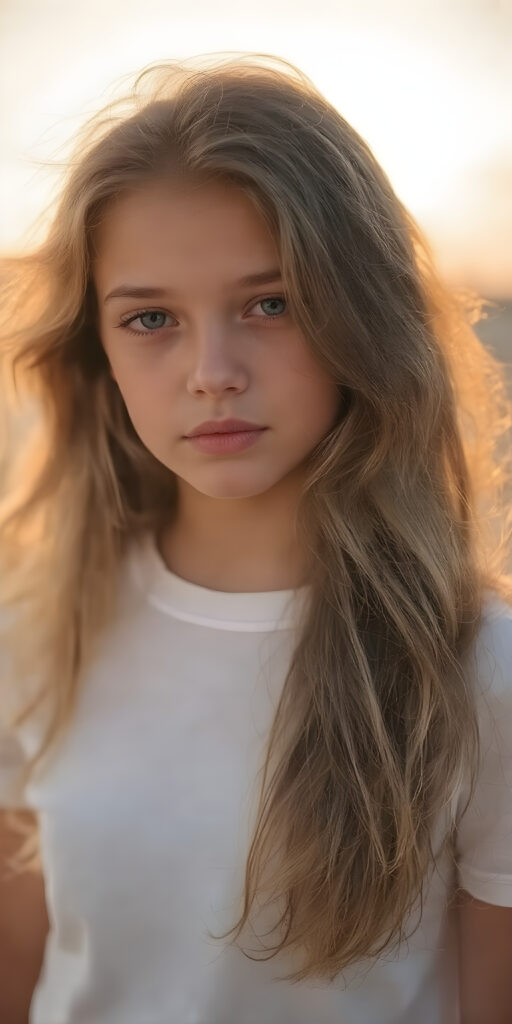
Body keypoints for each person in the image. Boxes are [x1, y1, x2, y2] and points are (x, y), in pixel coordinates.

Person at [0, 52, 511, 1024]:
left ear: (358, 315)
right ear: (95, 353)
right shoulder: (35, 627)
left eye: (268, 304)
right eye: (150, 318)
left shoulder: (477, 667)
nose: (211, 371)